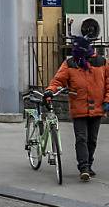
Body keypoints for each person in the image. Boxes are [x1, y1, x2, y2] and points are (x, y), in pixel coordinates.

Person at [45, 36, 108, 182]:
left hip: (97, 107)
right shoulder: (70, 63)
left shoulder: (101, 62)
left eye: (77, 49)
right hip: (78, 108)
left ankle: (89, 164)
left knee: (92, 140)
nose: (75, 51)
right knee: (81, 138)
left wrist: (107, 100)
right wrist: (50, 90)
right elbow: (58, 80)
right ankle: (84, 167)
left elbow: (108, 83)